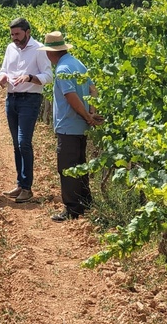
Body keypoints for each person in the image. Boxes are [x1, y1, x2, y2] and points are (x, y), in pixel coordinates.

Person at [38, 31, 104, 221]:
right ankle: (85, 201)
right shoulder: (78, 64)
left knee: (67, 168)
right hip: (81, 126)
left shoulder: (62, 70)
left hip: (69, 125)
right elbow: (93, 89)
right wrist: (91, 112)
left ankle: (73, 209)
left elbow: (71, 97)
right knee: (80, 164)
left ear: (50, 53)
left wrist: (86, 116)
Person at [0, 18, 53, 203]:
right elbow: (3, 70)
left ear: (27, 32)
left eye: (18, 34)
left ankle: (27, 188)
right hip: (11, 98)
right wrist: (2, 77)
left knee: (24, 143)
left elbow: (48, 76)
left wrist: (30, 78)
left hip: (30, 100)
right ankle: (20, 184)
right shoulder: (10, 48)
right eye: (12, 34)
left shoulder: (39, 49)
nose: (14, 38)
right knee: (16, 144)